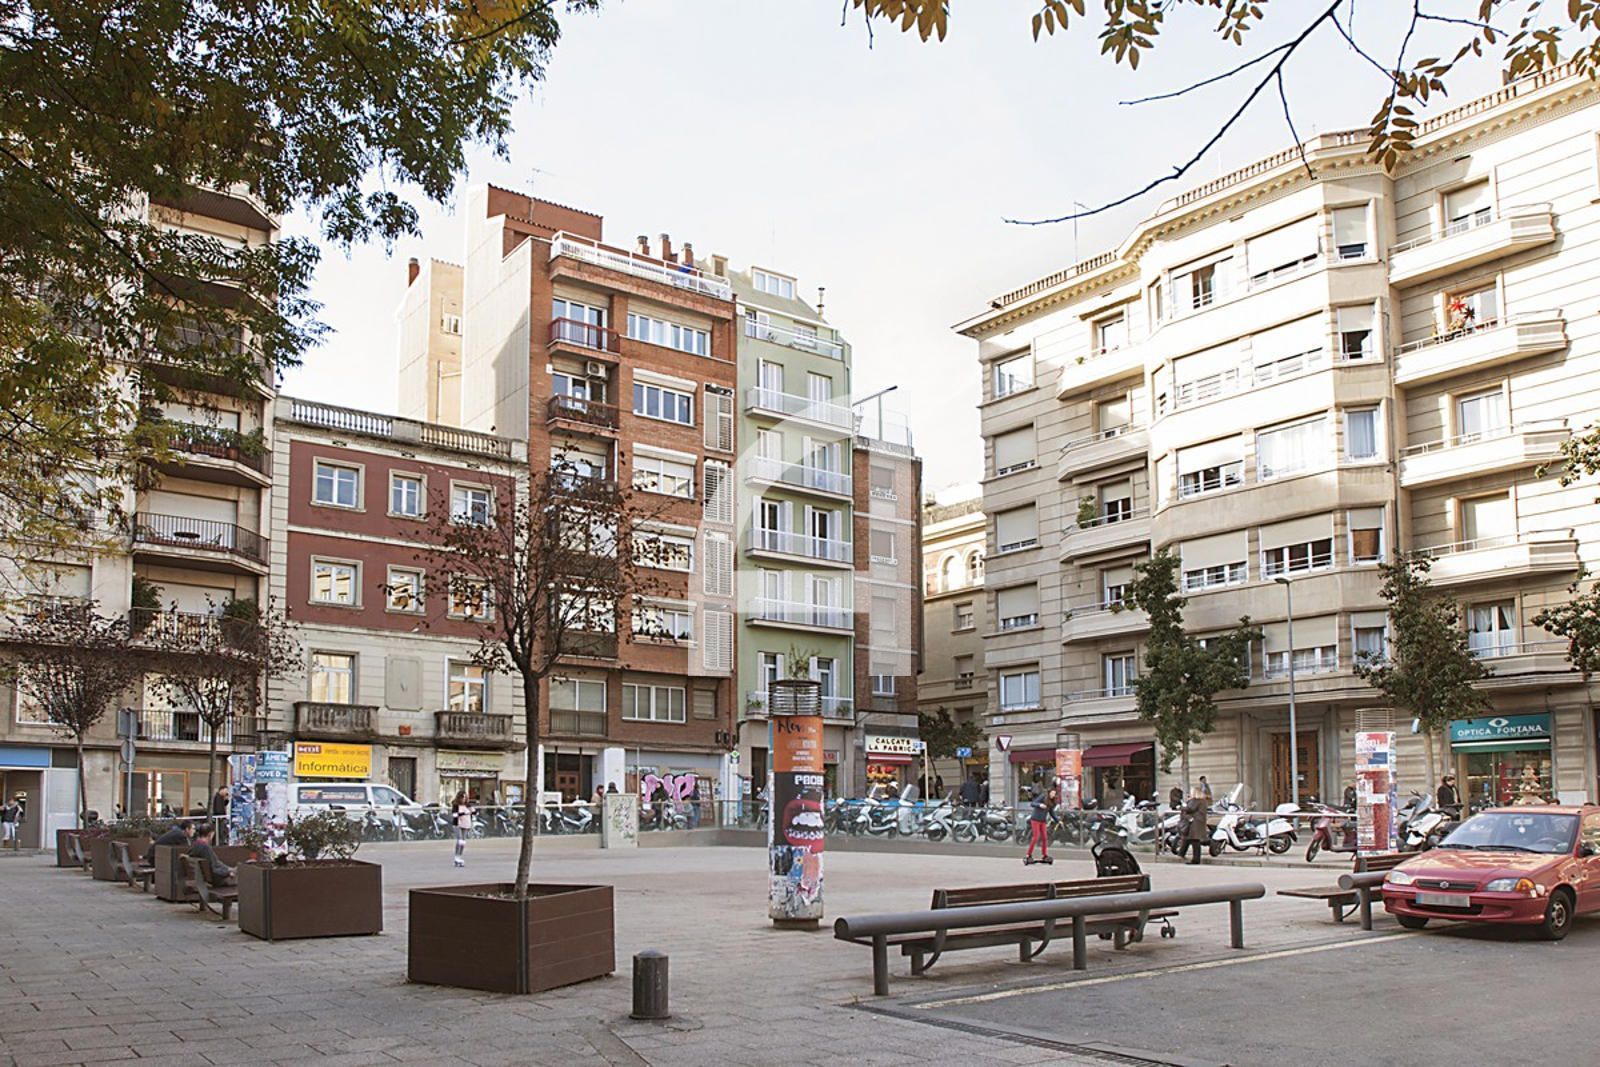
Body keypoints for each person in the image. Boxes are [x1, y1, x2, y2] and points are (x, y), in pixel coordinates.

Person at [1024, 786, 1057, 865]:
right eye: (1052, 793)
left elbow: (1052, 813)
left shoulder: (1051, 802)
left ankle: (1044, 855)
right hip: (1035, 819)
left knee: (1045, 838)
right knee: (1036, 837)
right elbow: (1033, 803)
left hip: (1043, 821)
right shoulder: (1043, 797)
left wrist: (1058, 820)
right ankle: (1028, 854)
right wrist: (1039, 805)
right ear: (1049, 792)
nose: (1053, 795)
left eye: (1054, 794)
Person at [1180, 794, 1209, 865]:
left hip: (1195, 822)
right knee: (1190, 839)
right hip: (1197, 822)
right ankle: (1182, 854)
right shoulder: (1202, 801)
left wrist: (1183, 807)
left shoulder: (1197, 801)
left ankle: (1195, 859)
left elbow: (1190, 809)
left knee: (1194, 840)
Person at [451, 791, 474, 868]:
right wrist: (464, 813)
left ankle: (460, 856)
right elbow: (454, 815)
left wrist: (472, 811)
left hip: (466, 824)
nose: (464, 799)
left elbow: (473, 811)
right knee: (459, 840)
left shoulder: (467, 805)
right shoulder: (455, 805)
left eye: (465, 797)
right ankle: (456, 856)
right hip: (458, 824)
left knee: (463, 842)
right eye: (462, 797)